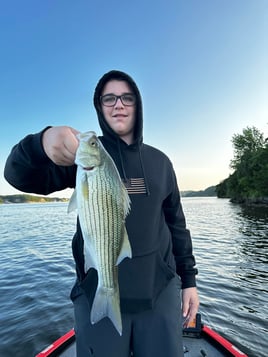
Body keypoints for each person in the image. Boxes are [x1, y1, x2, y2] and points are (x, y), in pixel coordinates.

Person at [4, 70, 199, 357]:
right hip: (96, 289)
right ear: (99, 107)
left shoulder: (161, 162)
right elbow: (16, 175)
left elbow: (177, 225)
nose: (118, 104)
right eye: (109, 99)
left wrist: (189, 281)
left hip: (160, 291)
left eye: (126, 97)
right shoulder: (80, 159)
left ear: (138, 104)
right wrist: (41, 143)